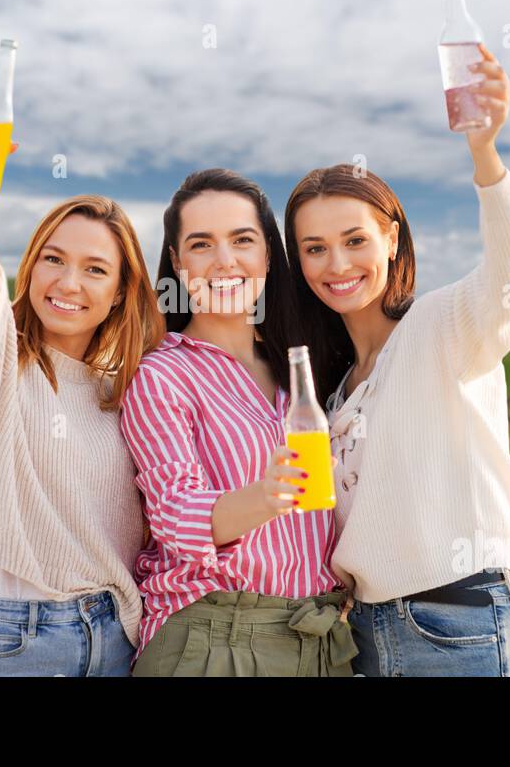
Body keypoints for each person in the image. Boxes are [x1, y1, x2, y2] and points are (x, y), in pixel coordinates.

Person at [284, 45, 510, 676]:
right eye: (314, 248)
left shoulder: (440, 328)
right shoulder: (334, 390)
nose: (337, 265)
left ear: (391, 237)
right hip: (367, 634)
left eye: (354, 240)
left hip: (459, 620)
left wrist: (485, 156)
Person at [0, 119, 164, 676]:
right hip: (11, 639)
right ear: (30, 265)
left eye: (95, 269)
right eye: (53, 259)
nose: (68, 283)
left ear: (118, 293)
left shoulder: (123, 391)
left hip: (115, 639)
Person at [120, 168, 356, 676]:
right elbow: (175, 516)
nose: (224, 261)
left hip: (316, 636)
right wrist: (266, 497)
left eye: (241, 240)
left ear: (267, 255)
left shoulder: (298, 374)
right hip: (214, 639)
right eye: (201, 244)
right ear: (179, 264)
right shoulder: (162, 374)